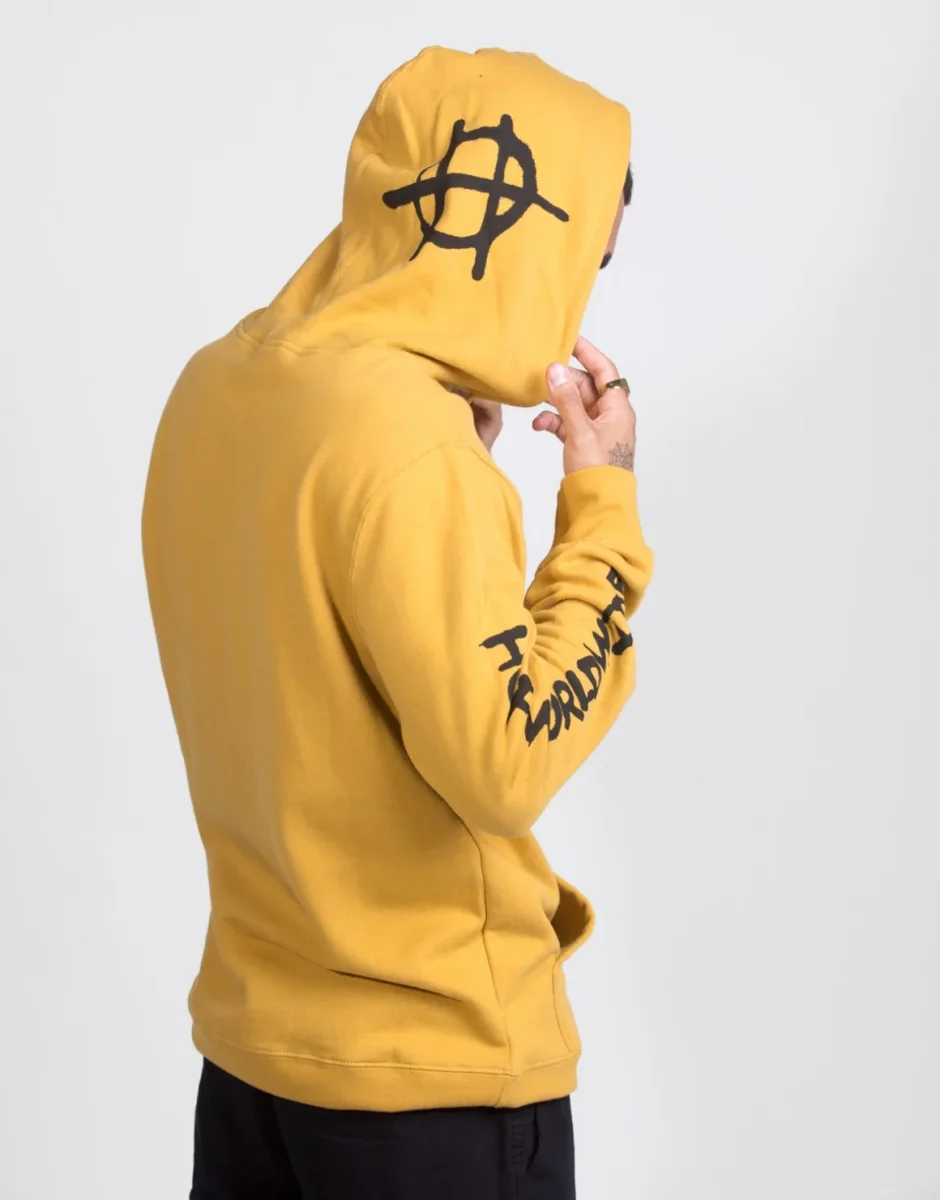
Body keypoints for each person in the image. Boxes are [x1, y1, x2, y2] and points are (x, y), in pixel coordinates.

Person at [142, 44, 654, 1200]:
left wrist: (453, 478)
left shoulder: (218, 383)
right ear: (523, 236)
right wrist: (603, 504)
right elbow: (505, 760)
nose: (576, 302)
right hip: (431, 1089)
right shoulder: (409, 448)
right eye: (584, 260)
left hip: (256, 1063)